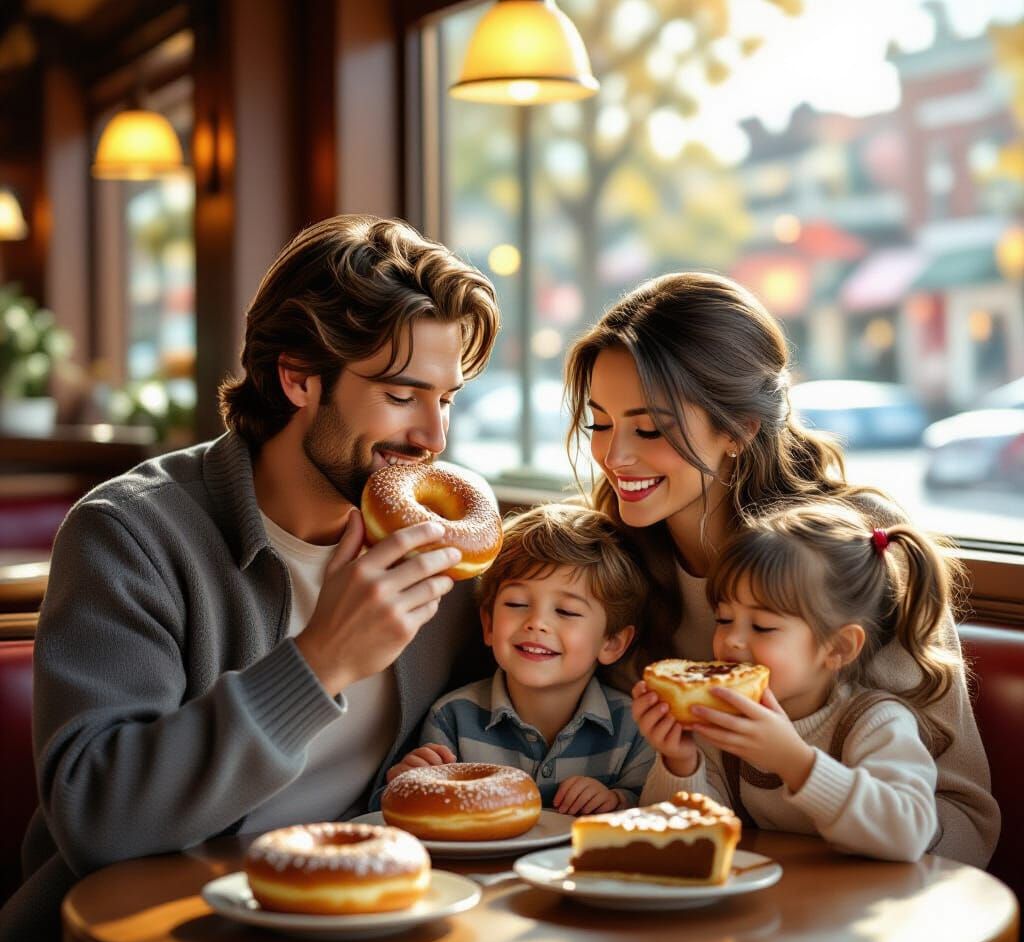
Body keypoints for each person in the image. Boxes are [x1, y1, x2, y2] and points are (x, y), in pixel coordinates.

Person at [0, 215, 500, 942]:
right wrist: (319, 663)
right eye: (401, 394)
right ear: (299, 378)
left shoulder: (450, 553)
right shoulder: (131, 535)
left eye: (445, 399)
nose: (431, 437)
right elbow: (99, 820)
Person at [563, 271, 999, 870]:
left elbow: (963, 817)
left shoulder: (850, 544)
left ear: (740, 428)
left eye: (649, 428)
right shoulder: (611, 558)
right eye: (599, 423)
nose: (614, 457)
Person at [634, 500, 957, 862]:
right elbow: (685, 842)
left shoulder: (875, 722)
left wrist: (793, 760)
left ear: (838, 647)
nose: (732, 641)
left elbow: (908, 835)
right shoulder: (722, 724)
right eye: (724, 619)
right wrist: (680, 762)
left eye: (762, 627)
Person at [383, 503, 654, 814]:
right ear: (488, 625)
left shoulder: (634, 726)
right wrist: (404, 784)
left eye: (566, 611)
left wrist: (617, 800)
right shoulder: (453, 717)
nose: (536, 622)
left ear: (612, 642)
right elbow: (418, 811)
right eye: (516, 603)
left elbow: (652, 809)